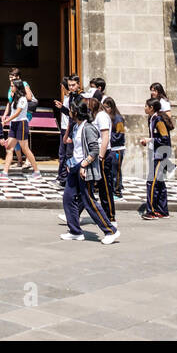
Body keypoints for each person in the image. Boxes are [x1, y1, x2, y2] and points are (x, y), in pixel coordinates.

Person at [59, 100, 119, 244]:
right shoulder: (76, 127)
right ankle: (75, 231)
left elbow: (94, 150)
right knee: (68, 198)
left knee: (88, 200)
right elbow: (70, 144)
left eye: (72, 110)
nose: (70, 112)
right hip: (75, 166)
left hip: (84, 167)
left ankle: (110, 231)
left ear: (77, 112)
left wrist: (84, 165)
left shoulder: (88, 128)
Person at [139, 97, 172, 219]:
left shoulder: (158, 120)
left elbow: (164, 138)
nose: (144, 108)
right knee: (159, 182)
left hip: (161, 154)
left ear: (151, 108)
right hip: (156, 152)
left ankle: (152, 211)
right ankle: (163, 210)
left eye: (146, 106)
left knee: (151, 182)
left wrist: (150, 140)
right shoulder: (152, 118)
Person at [1, 79, 41, 179]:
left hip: (21, 124)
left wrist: (6, 121)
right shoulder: (13, 98)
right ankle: (5, 172)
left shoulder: (23, 99)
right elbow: (12, 111)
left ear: (17, 87)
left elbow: (17, 113)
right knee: (9, 148)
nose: (11, 88)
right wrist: (9, 123)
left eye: (12, 86)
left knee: (25, 149)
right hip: (14, 125)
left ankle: (37, 172)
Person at [53, 75, 84, 187]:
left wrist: (70, 133)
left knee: (70, 155)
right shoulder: (71, 96)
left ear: (78, 84)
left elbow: (78, 116)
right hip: (69, 128)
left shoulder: (81, 97)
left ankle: (69, 180)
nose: (71, 87)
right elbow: (71, 114)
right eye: (69, 85)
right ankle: (63, 178)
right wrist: (62, 108)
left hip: (76, 129)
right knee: (64, 154)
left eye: (73, 85)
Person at [106, 95, 126, 197]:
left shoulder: (118, 119)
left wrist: (108, 137)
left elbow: (120, 135)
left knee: (116, 171)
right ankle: (112, 189)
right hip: (111, 148)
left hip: (118, 149)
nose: (106, 110)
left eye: (108, 107)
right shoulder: (107, 118)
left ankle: (117, 191)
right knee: (111, 171)